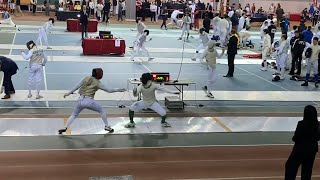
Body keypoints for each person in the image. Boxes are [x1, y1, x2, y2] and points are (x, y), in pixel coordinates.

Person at [58, 68, 126, 134]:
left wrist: (68, 93)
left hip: (80, 100)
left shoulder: (86, 78)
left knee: (74, 114)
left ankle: (65, 127)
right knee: (102, 110)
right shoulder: (98, 83)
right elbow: (109, 90)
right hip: (88, 101)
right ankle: (107, 126)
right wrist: (119, 90)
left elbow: (77, 86)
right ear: (99, 75)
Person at [284, 105, 320, 180]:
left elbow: (296, 138)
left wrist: (295, 138)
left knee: (290, 167)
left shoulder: (301, 124)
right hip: (312, 150)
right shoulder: (318, 124)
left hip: (299, 150)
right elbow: (318, 137)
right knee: (307, 170)